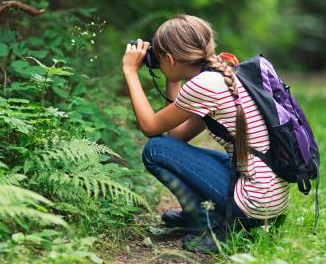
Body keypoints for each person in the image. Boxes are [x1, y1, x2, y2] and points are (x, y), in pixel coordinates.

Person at [121, 14, 289, 252]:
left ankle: (210, 226)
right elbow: (178, 136)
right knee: (177, 151)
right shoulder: (222, 74)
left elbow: (151, 128)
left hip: (256, 202)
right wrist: (172, 77)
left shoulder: (203, 86)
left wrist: (130, 72)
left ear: (169, 58)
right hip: (271, 198)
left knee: (154, 149)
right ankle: (204, 215)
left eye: (160, 58)